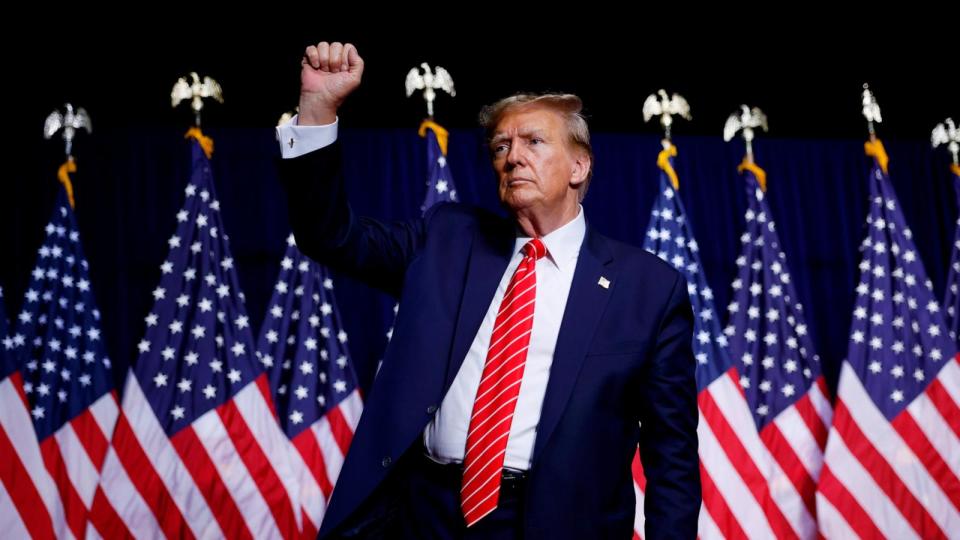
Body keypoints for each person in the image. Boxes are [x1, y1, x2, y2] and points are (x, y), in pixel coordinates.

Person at [276, 41, 700, 540]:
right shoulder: (447, 238)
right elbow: (330, 236)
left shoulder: (648, 288)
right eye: (501, 146)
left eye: (533, 143)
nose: (513, 157)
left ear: (580, 167)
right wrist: (319, 110)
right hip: (424, 515)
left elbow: (671, 457)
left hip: (554, 523)